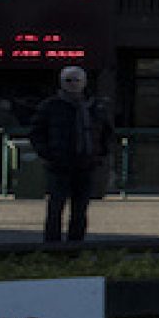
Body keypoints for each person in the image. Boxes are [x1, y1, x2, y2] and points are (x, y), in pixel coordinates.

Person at [28, 66, 115, 244]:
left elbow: (107, 132)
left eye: (77, 80)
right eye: (68, 80)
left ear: (84, 82)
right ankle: (52, 245)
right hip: (59, 164)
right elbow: (36, 132)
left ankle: (75, 246)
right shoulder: (50, 106)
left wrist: (100, 154)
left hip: (86, 163)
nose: (73, 84)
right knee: (56, 207)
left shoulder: (96, 107)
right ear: (61, 82)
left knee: (80, 209)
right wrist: (48, 154)